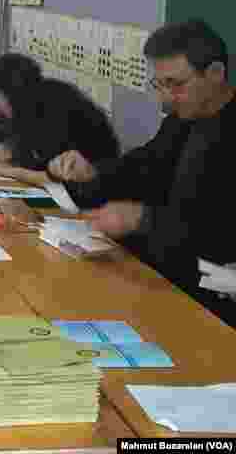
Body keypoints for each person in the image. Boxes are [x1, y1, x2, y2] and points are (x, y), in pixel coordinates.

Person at [48, 19, 236, 328]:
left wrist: (143, 219)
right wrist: (90, 172)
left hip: (213, 302)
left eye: (175, 85)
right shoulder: (183, 119)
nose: (164, 98)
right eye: (159, 84)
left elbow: (217, 227)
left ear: (215, 74)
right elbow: (141, 167)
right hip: (164, 279)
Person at [0, 53, 120, 189]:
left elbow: (54, 179)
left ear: (13, 93)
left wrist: (7, 171)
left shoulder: (55, 110)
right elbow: (27, 150)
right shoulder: (31, 104)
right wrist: (7, 149)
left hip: (94, 194)